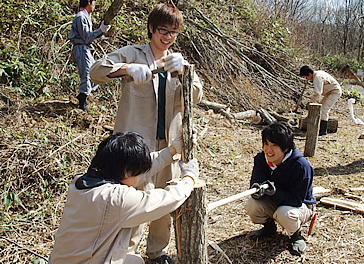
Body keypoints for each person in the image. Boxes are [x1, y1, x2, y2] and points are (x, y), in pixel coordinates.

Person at [90, 3, 203, 263]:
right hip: (137, 145)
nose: (168, 37)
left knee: (164, 201)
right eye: (163, 30)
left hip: (170, 143)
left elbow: (196, 96)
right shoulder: (133, 53)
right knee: (134, 199)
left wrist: (185, 72)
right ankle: (127, 254)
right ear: (151, 28)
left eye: (174, 32)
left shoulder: (178, 61)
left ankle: (157, 253)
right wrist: (126, 69)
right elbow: (96, 71)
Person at [49, 131, 199, 264]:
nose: (141, 175)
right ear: (127, 171)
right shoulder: (116, 200)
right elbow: (166, 199)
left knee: (134, 261)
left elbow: (140, 170)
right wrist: (189, 178)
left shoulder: (81, 183)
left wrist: (172, 151)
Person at [245, 122, 316, 256]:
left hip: (300, 205)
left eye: (274, 146)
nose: (268, 150)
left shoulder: (301, 166)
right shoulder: (261, 159)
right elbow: (255, 184)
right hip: (274, 200)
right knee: (252, 205)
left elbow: (296, 200)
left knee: (284, 213)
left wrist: (275, 192)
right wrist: (257, 191)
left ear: (286, 148)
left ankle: (296, 234)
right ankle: (269, 227)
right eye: (266, 144)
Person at [69, 0, 111, 111]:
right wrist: (100, 30)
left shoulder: (85, 16)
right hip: (81, 48)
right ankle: (82, 102)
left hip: (85, 48)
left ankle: (83, 96)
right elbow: (87, 37)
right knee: (87, 73)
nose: (94, 5)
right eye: (94, 2)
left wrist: (100, 32)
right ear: (89, 2)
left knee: (94, 71)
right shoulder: (81, 17)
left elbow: (89, 36)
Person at [299, 65, 342, 135]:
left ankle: (323, 131)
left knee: (324, 109)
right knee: (321, 107)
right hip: (328, 93)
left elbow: (318, 93)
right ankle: (318, 127)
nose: (306, 78)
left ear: (309, 74)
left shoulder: (317, 77)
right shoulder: (316, 75)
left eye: (306, 77)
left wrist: (310, 102)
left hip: (334, 92)